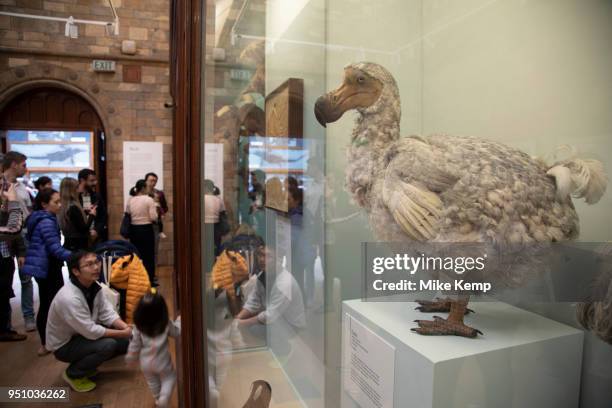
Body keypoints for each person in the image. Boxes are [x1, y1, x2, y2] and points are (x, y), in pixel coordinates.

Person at [47, 251, 131, 392]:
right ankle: (73, 374)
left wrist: (125, 327)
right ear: (76, 271)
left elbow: (106, 312)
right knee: (108, 345)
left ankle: (87, 366)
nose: (96, 267)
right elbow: (90, 330)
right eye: (89, 264)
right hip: (64, 345)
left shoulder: (93, 285)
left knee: (125, 343)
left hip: (80, 335)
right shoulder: (69, 298)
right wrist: (122, 333)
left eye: (96, 262)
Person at [22, 188, 72, 356]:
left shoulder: (43, 218)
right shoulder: (46, 221)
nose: (59, 205)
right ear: (44, 204)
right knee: (48, 305)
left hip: (44, 267)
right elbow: (55, 249)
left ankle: (51, 340)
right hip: (47, 267)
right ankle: (46, 343)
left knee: (50, 303)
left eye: (60, 201)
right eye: (56, 202)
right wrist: (78, 256)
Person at [126, 291, 180, 408]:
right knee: (169, 377)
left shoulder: (138, 327)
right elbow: (176, 332)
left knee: (153, 382)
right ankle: (164, 397)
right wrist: (180, 321)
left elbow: (134, 344)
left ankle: (157, 399)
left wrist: (130, 357)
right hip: (163, 361)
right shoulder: (166, 323)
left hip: (146, 363)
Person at [2, 151, 35, 332]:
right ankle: (5, 323)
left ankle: (28, 316)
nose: (25, 168)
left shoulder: (22, 187)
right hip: (5, 237)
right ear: (14, 164)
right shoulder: (2, 186)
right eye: (23, 165)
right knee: (4, 278)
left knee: (26, 278)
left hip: (23, 235)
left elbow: (27, 211)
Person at [0, 178, 27, 341]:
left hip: (5, 256)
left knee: (4, 294)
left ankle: (4, 329)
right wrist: (13, 202)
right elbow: (13, 229)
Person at [127, 179, 158, 286]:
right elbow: (153, 217)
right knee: (149, 255)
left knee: (136, 254)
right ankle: (149, 279)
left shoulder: (131, 200)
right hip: (146, 229)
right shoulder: (148, 200)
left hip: (134, 230)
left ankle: (137, 278)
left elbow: (127, 214)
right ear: (144, 188)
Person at [58, 177, 97, 251]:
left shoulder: (64, 206)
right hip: (78, 245)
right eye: (77, 187)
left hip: (69, 243)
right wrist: (92, 215)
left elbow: (74, 221)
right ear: (72, 190)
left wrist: (85, 212)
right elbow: (83, 229)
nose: (80, 188)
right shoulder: (73, 207)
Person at [77, 169, 108, 244]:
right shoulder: (75, 197)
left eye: (95, 180)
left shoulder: (97, 196)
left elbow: (103, 216)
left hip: (96, 238)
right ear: (82, 180)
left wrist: (96, 230)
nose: (95, 183)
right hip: (80, 238)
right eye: (92, 180)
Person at [144, 172, 169, 263]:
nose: (153, 183)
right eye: (151, 180)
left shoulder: (159, 193)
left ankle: (153, 273)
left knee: (154, 250)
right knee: (143, 249)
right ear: (145, 181)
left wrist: (160, 211)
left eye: (155, 181)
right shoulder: (141, 193)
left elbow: (165, 207)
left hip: (155, 224)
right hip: (142, 224)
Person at [203, 179, 226, 256]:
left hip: (203, 226)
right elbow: (223, 214)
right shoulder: (218, 199)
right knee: (215, 247)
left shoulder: (201, 199)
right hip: (216, 226)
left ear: (205, 188)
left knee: (204, 246)